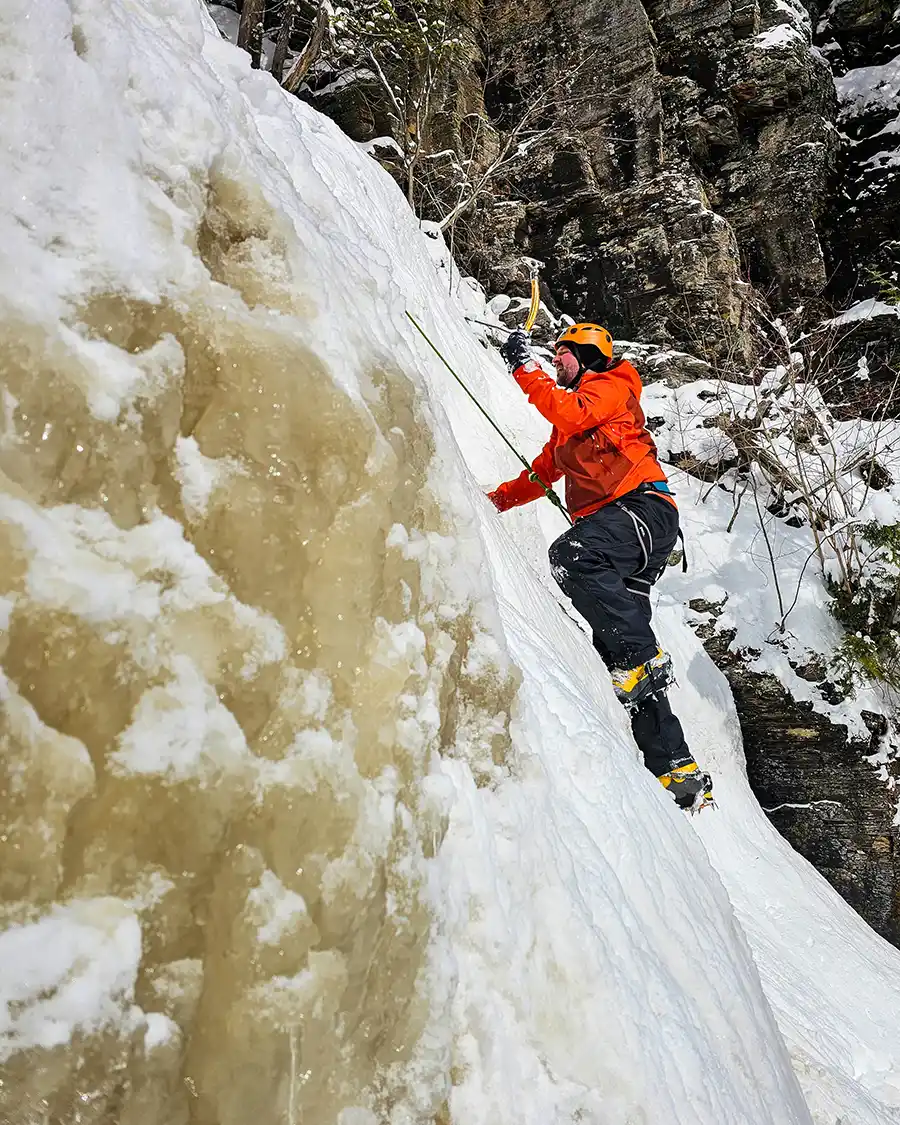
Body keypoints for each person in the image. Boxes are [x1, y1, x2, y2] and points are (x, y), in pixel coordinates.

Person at [487, 323, 713, 812]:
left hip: (641, 510)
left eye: (563, 354)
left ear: (588, 355)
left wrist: (523, 368)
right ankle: (675, 769)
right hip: (625, 534)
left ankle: (644, 657)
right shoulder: (569, 431)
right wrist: (493, 501)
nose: (557, 361)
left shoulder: (612, 385)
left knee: (571, 555)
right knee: (618, 648)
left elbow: (572, 410)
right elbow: (541, 472)